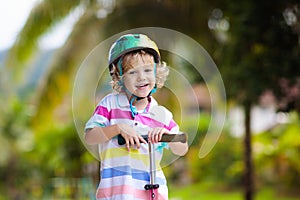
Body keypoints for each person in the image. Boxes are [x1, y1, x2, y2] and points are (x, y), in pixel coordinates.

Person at [84, 33, 188, 200]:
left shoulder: (161, 114)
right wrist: (118, 128)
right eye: (132, 72)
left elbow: (182, 149)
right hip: (116, 194)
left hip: (152, 193)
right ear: (118, 76)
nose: (142, 77)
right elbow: (90, 136)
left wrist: (164, 135)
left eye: (147, 70)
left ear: (156, 72)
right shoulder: (110, 105)